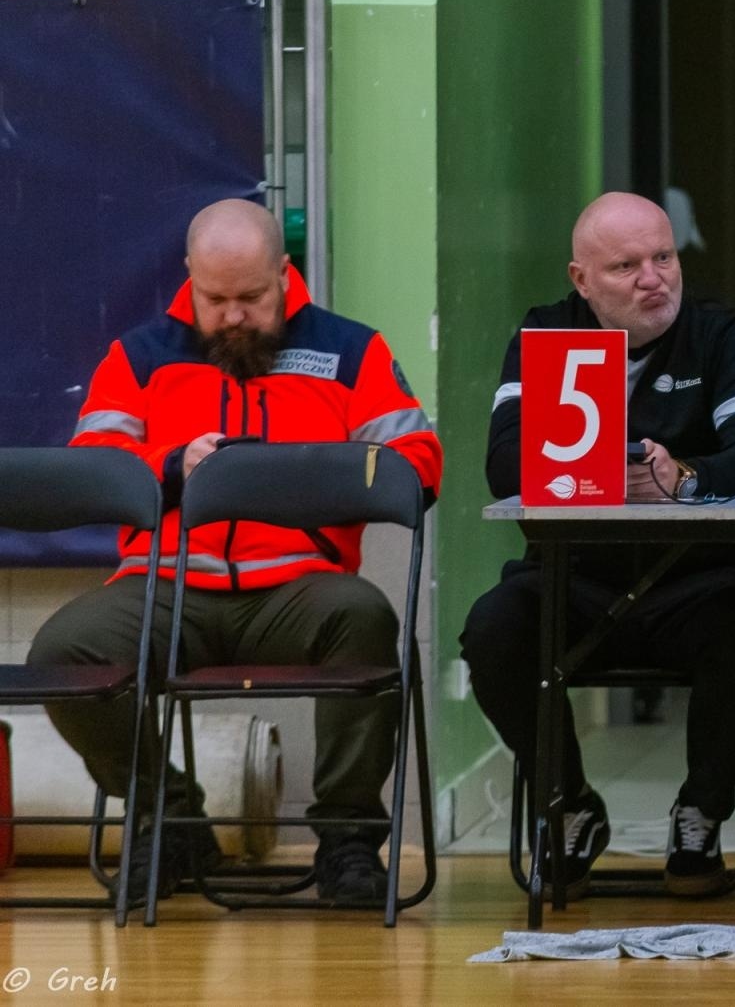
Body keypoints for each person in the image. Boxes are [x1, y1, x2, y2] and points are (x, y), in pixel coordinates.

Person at [28, 198, 444, 904]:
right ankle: (172, 817)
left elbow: (418, 463)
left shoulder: (352, 350)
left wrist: (305, 475)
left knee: (366, 617)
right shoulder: (138, 357)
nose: (231, 317)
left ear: (285, 274)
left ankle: (347, 842)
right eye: (214, 298)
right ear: (188, 274)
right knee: (62, 650)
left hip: (299, 589)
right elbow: (94, 468)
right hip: (165, 587)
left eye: (251, 296)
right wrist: (169, 467)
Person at [460, 191, 735, 897]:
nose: (654, 277)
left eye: (664, 257)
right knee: (492, 630)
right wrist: (601, 465)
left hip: (694, 580)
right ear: (582, 280)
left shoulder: (721, 333)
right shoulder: (545, 334)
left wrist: (688, 476)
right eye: (627, 265)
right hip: (572, 579)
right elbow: (504, 463)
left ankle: (700, 811)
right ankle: (570, 805)